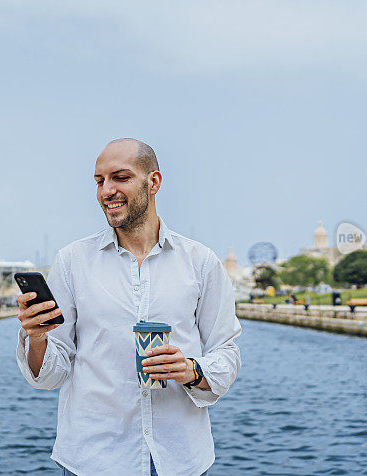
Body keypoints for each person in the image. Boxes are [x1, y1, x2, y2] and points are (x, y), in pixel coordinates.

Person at [16, 139, 241, 476]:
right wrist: (36, 339)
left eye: (120, 178)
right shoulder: (71, 262)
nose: (107, 191)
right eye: (99, 181)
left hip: (181, 459)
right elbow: (51, 375)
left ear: (154, 182)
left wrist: (192, 370)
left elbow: (227, 352)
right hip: (93, 461)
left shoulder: (201, 262)